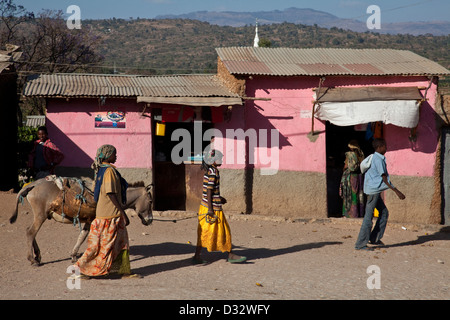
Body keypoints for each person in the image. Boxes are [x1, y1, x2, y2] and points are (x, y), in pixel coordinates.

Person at [74, 145, 138, 278]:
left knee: (121, 245)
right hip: (110, 215)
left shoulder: (101, 170)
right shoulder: (109, 172)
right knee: (103, 247)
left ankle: (122, 271)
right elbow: (111, 193)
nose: (116, 156)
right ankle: (83, 269)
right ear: (108, 155)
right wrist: (123, 213)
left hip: (106, 213)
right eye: (114, 154)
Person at [193, 149, 246, 264]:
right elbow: (209, 190)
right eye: (220, 158)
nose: (221, 160)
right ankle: (230, 254)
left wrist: (219, 198)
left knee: (204, 232)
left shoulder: (211, 170)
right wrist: (211, 209)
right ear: (213, 160)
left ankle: (197, 256)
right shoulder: (213, 172)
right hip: (212, 209)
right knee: (224, 230)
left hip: (206, 206)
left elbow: (210, 190)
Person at [355, 138, 405, 251]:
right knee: (368, 218)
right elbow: (385, 178)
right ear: (380, 147)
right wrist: (397, 191)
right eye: (385, 146)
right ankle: (360, 244)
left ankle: (374, 238)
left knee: (384, 213)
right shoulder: (378, 159)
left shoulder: (377, 158)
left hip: (373, 190)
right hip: (373, 191)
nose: (386, 148)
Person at [340, 140, 365, 218]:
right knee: (358, 194)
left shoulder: (350, 155)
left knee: (349, 194)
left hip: (350, 176)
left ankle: (350, 214)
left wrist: (343, 170)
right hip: (359, 176)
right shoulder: (361, 154)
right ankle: (358, 213)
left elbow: (346, 166)